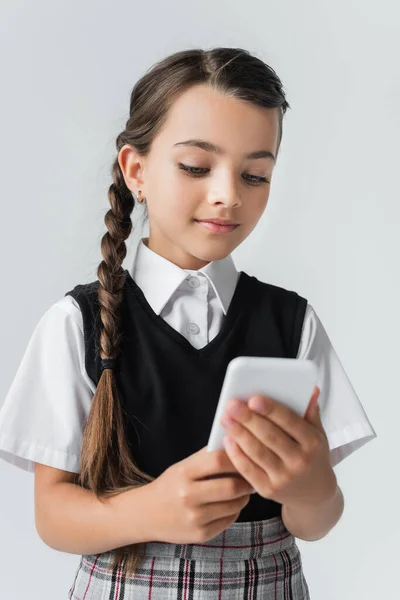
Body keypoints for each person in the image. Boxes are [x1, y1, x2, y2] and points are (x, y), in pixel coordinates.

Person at [0, 47, 376, 599]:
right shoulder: (76, 323)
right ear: (136, 171)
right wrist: (148, 512)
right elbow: (53, 516)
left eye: (255, 174)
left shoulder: (292, 323)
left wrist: (313, 489)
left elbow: (316, 520)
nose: (228, 195)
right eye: (196, 167)